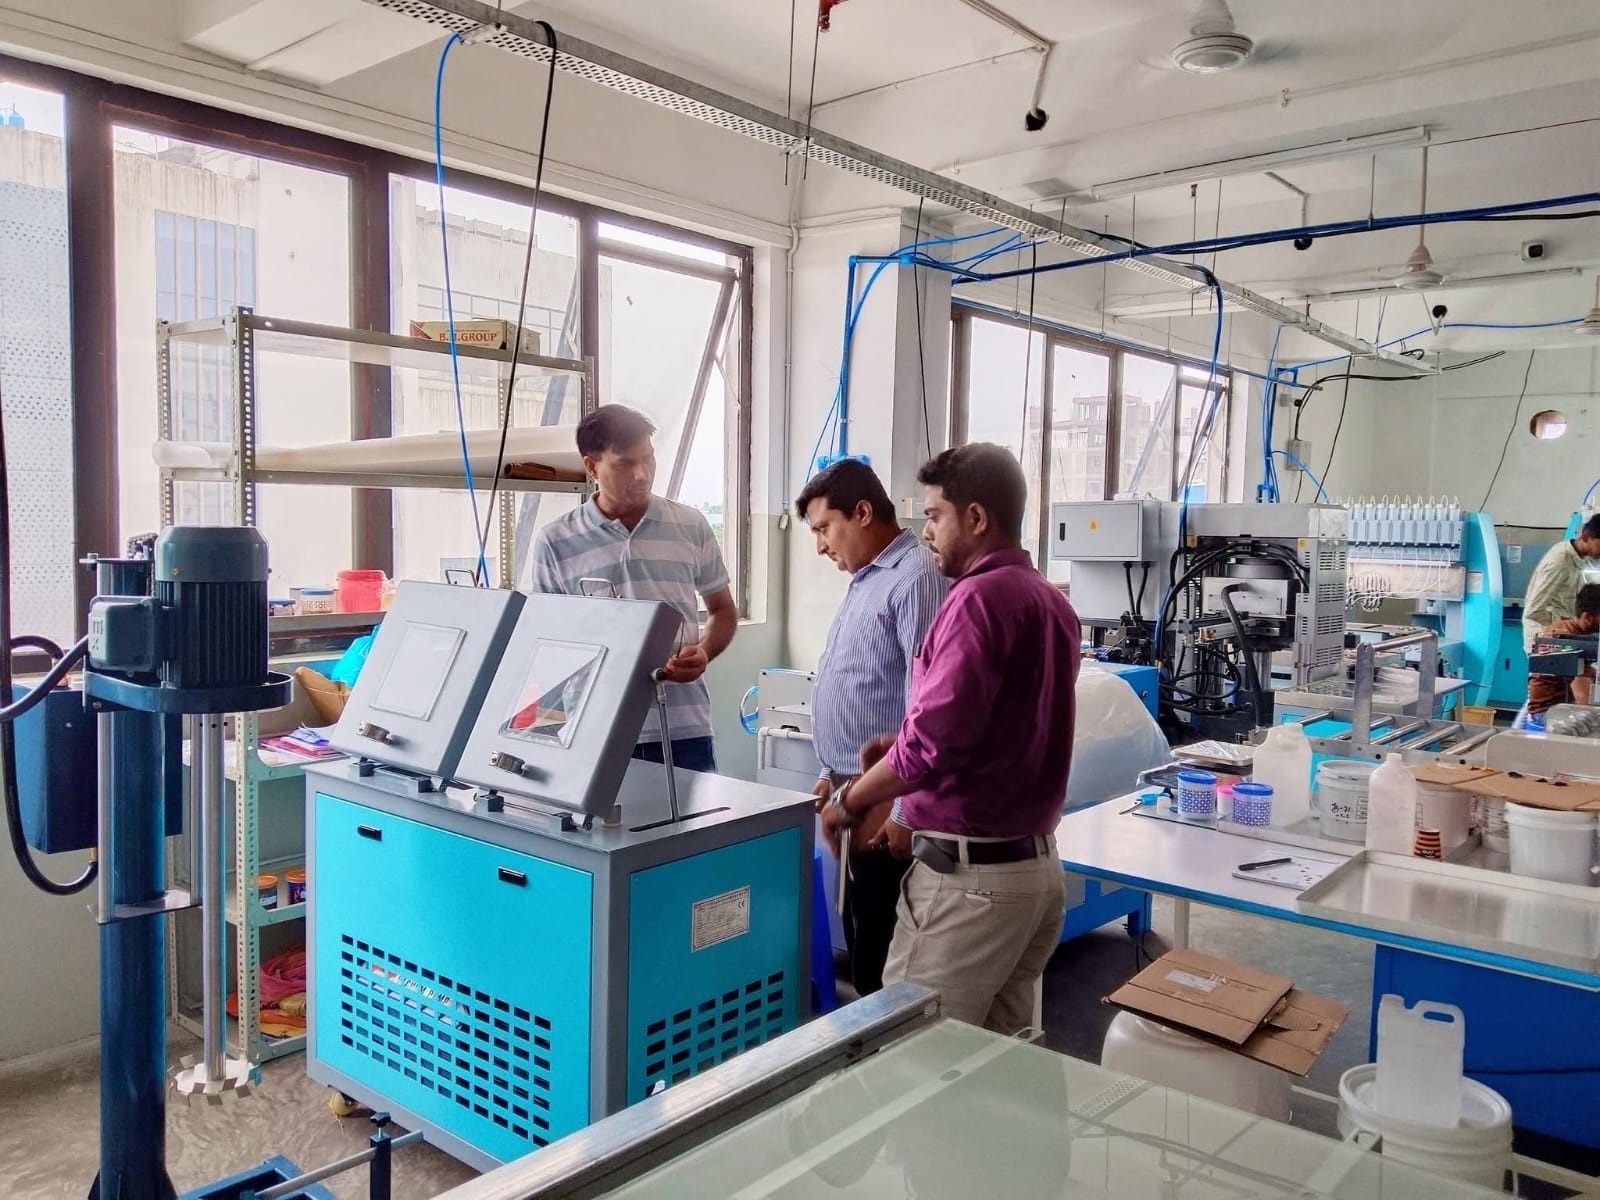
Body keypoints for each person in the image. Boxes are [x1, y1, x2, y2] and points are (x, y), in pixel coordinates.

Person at [820, 443, 1080, 1031]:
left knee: (908, 1050)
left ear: (977, 518)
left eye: (935, 515)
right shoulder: (1049, 601)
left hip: (971, 886)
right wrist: (897, 752)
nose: (928, 531)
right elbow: (996, 729)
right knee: (996, 1055)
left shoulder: (976, 600)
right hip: (1034, 873)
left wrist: (850, 800)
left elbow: (931, 745)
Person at [795, 458, 948, 995]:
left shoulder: (915, 579)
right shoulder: (867, 578)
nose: (820, 546)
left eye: (823, 529)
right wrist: (829, 771)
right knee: (863, 932)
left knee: (885, 950)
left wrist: (904, 809)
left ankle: (883, 1041)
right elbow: (858, 683)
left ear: (862, 513)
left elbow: (925, 707)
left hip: (888, 798)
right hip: (855, 790)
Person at [532, 405, 736, 772]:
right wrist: (545, 732)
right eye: (625, 463)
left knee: (694, 811)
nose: (642, 474)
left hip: (683, 728)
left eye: (648, 458)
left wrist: (704, 652)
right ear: (591, 467)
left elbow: (722, 609)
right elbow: (549, 645)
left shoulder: (690, 526)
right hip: (595, 731)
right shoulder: (556, 541)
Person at [1522, 515, 1600, 652]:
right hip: (1546, 640)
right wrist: (1567, 623)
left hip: (1563, 637)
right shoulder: (1560, 561)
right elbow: (1533, 611)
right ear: (1586, 537)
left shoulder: (1578, 559)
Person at [1525, 582, 1600, 722]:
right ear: (1587, 617)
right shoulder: (1570, 642)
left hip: (1554, 707)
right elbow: (1584, 700)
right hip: (1549, 713)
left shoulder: (1564, 627)